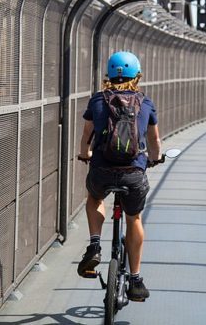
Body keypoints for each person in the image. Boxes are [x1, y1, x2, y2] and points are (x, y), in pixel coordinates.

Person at [76, 51, 162, 302]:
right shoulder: (145, 103)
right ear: (138, 76)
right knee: (133, 217)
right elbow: (154, 141)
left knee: (94, 198)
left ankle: (94, 245)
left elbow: (86, 138)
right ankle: (135, 280)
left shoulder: (98, 101)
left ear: (109, 75)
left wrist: (86, 154)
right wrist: (154, 159)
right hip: (133, 172)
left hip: (102, 169)